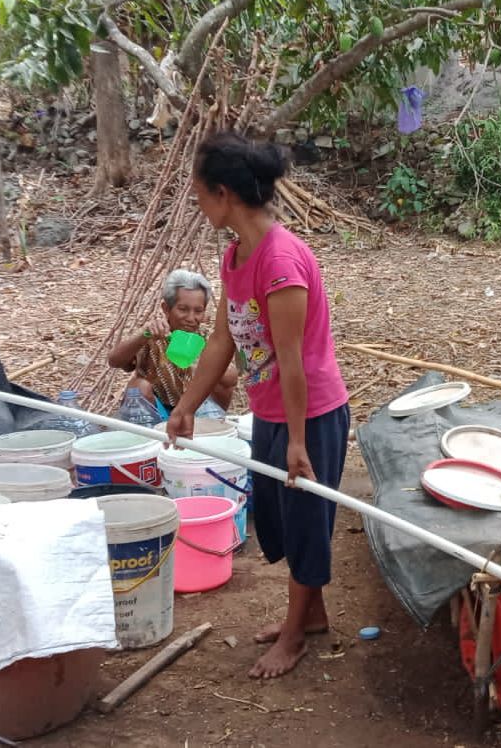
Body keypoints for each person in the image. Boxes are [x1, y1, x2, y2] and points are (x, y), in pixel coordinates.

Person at [166, 131, 350, 679]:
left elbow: (293, 361)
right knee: (277, 516)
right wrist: (187, 406)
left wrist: (296, 441)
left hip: (310, 414)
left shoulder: (280, 261)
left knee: (305, 522)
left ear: (223, 194)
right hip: (273, 410)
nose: (198, 204)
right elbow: (223, 338)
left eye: (200, 193)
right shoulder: (235, 257)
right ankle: (310, 614)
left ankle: (294, 635)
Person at [107, 269, 237, 416]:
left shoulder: (205, 338)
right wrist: (144, 335)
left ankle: (213, 422)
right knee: (138, 387)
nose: (191, 318)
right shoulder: (154, 333)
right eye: (183, 309)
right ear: (166, 309)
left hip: (194, 408)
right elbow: (114, 361)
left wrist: (202, 367)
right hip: (156, 410)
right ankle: (148, 432)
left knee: (228, 374)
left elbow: (226, 375)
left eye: (198, 311)